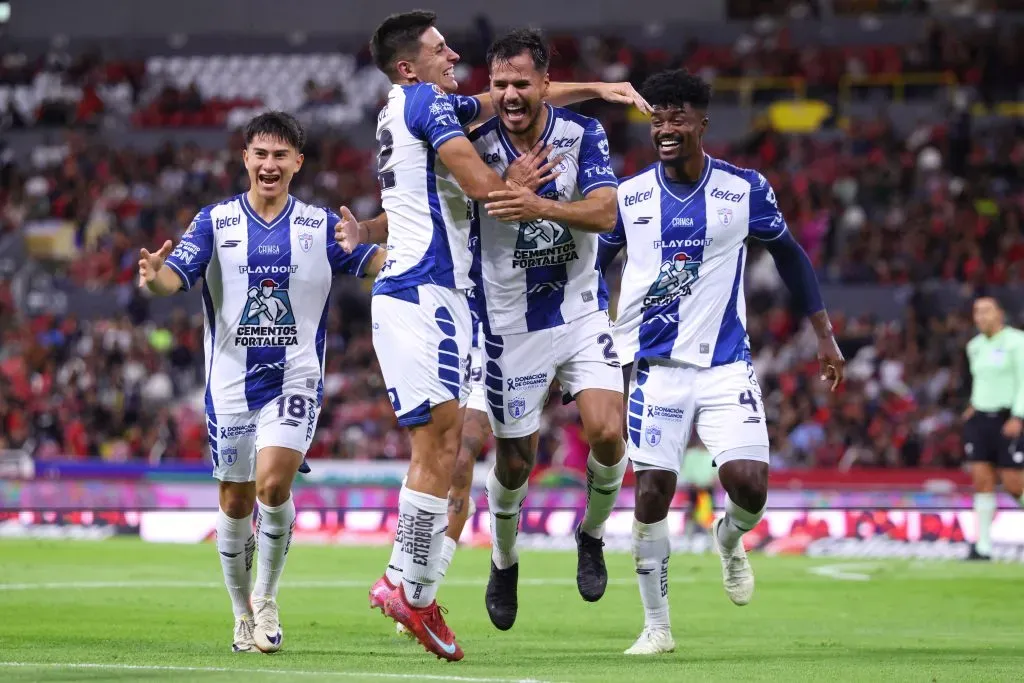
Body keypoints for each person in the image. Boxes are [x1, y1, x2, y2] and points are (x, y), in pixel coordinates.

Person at [340, 10, 648, 661]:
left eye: (520, 84)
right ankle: (446, 576)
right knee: (467, 452)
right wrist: (507, 187)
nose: (453, 54)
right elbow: (476, 187)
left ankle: (414, 583)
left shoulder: (438, 111)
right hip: (471, 312)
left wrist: (597, 92)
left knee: (575, 433)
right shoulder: (440, 112)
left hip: (563, 312)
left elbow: (495, 133)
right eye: (439, 47)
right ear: (409, 65)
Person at [597, 69, 845, 655]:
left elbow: (791, 257)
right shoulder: (628, 197)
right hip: (655, 370)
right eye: (657, 118)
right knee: (653, 494)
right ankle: (657, 627)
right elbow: (589, 267)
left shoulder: (744, 190)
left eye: (678, 117)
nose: (665, 128)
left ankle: (729, 538)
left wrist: (824, 336)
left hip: (725, 364)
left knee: (749, 487)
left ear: (703, 123)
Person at [137, 111, 384, 655]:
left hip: (294, 378)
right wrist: (155, 280)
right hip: (229, 384)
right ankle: (240, 613)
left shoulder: (319, 226)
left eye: (280, 155)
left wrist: (412, 239)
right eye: (260, 154)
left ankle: (267, 599)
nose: (269, 165)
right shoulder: (214, 222)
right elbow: (173, 277)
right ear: (245, 159)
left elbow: (375, 262)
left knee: (273, 486)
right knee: (233, 501)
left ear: (297, 162)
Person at [467, 28, 626, 632]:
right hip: (510, 325)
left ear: (545, 85)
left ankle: (591, 534)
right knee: (515, 463)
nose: (510, 94)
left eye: (521, 83)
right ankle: (504, 561)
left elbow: (605, 212)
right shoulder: (473, 143)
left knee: (607, 434)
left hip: (581, 310)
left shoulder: (583, 134)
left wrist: (540, 206)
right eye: (500, 83)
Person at [963, 296, 1024, 560]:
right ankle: (983, 546)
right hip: (980, 420)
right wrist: (973, 405)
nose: (981, 316)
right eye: (977, 312)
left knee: (1014, 482)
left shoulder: (1017, 341)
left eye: (987, 310)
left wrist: (1018, 416)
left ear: (1000, 313)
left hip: (1008, 418)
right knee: (982, 480)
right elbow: (981, 380)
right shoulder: (974, 346)